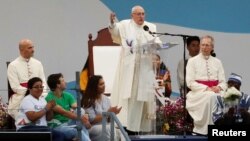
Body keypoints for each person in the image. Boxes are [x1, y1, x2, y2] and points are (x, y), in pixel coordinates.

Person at [109, 5, 162, 133]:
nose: (141, 16)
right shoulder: (124, 25)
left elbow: (158, 41)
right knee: (129, 96)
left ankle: (139, 127)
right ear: (132, 15)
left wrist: (158, 45)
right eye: (138, 14)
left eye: (143, 14)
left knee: (140, 98)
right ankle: (127, 126)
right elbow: (115, 33)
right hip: (129, 67)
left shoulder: (150, 27)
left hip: (144, 67)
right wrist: (112, 23)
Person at [185, 35, 227, 135]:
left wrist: (219, 87)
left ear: (212, 47)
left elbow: (223, 82)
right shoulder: (192, 61)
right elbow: (190, 82)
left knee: (225, 97)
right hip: (198, 93)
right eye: (202, 45)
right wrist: (207, 88)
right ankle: (204, 130)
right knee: (212, 96)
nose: (204, 47)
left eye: (207, 45)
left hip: (215, 91)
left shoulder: (218, 62)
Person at [15, 77, 65, 141]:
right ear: (30, 89)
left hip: (41, 128)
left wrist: (51, 108)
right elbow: (32, 117)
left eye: (41, 87)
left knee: (61, 134)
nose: (39, 89)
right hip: (26, 128)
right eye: (36, 87)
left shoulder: (42, 100)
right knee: (58, 135)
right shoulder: (27, 100)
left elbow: (49, 118)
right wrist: (46, 108)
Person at [7, 39, 47, 119]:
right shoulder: (13, 65)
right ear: (21, 49)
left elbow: (43, 82)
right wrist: (31, 92)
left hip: (40, 93)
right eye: (29, 48)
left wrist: (41, 92)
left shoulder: (38, 63)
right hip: (21, 95)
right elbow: (15, 86)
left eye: (33, 47)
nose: (33, 50)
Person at [45, 73, 91, 141]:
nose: (66, 82)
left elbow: (76, 107)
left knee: (81, 112)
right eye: (63, 81)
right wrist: (81, 118)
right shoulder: (49, 98)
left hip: (68, 123)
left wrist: (85, 115)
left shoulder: (67, 95)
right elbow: (64, 113)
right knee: (77, 131)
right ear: (58, 85)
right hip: (57, 126)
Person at [81, 75, 122, 141]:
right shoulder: (88, 100)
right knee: (108, 128)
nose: (104, 86)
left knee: (120, 132)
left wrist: (113, 114)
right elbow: (92, 120)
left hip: (106, 125)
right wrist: (108, 113)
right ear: (94, 86)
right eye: (101, 84)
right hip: (92, 127)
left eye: (104, 83)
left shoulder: (106, 99)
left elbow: (108, 120)